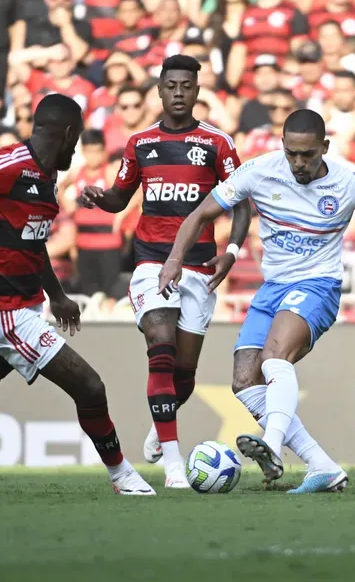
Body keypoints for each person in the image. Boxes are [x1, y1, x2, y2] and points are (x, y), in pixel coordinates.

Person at [158, 108, 355, 493]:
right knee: (244, 380)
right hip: (273, 289)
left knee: (274, 358)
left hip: (318, 286)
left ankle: (270, 444)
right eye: (292, 153)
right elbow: (201, 214)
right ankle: (322, 466)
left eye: (307, 154)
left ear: (325, 147)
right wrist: (174, 260)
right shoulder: (260, 171)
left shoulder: (349, 184)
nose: (299, 163)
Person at [0, 92, 154, 496]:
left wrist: (57, 294)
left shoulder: (45, 176)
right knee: (90, 386)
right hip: (0, 305)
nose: (77, 147)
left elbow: (32, 241)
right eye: (76, 138)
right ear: (66, 134)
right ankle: (121, 475)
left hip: (26, 299)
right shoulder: (9, 166)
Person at [77, 55, 251, 489]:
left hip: (200, 266)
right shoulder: (140, 143)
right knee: (161, 344)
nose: (178, 93)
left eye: (186, 86)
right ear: (159, 89)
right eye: (171, 85)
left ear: (196, 91)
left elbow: (243, 202)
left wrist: (231, 250)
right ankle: (174, 467)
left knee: (185, 372)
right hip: (152, 260)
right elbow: (122, 196)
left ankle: (160, 428)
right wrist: (101, 198)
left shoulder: (218, 144)